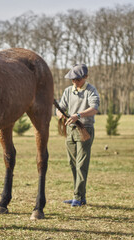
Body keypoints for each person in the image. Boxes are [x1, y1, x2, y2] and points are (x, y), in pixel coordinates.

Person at [56, 64, 100, 207]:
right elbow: (61, 108)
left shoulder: (91, 91)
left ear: (85, 77)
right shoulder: (68, 91)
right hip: (70, 130)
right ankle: (80, 196)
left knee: (81, 164)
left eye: (78, 79)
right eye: (72, 79)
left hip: (85, 129)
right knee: (72, 163)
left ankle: (78, 197)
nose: (75, 82)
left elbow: (94, 109)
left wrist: (78, 115)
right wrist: (61, 116)